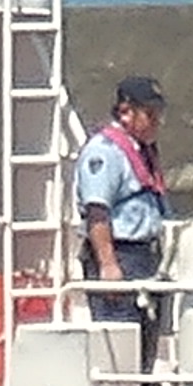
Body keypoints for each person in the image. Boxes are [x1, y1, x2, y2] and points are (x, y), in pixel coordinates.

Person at [76, 76, 172, 285]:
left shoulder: (143, 151)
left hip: (146, 255)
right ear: (126, 113)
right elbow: (97, 212)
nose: (158, 120)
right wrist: (108, 265)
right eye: (150, 113)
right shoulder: (105, 151)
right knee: (120, 318)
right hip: (121, 253)